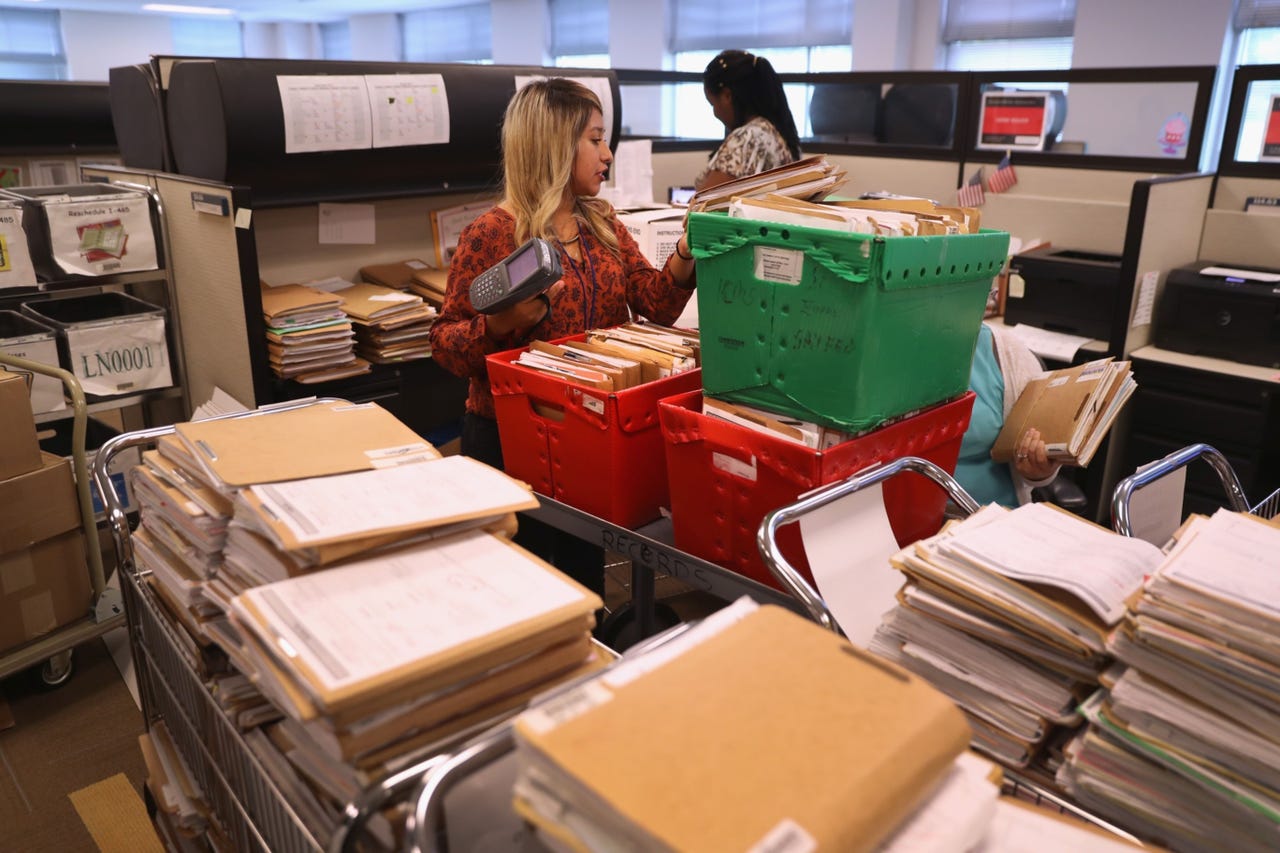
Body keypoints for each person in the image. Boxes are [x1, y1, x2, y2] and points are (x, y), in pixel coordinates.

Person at [428, 78, 697, 594]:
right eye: (595, 139)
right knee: (518, 589)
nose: (608, 153)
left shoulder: (600, 223)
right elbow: (444, 341)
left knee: (582, 583)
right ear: (554, 144)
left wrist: (686, 251)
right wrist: (499, 327)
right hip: (511, 439)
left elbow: (655, 304)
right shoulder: (493, 233)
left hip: (586, 436)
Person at [954, 320, 1060, 507]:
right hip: (905, 520)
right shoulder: (889, 348)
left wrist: (1038, 471)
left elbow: (1042, 454)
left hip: (996, 514)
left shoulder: (1009, 352)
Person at [696, 49, 802, 192]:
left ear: (727, 96)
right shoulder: (775, 133)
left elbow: (703, 203)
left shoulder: (746, 138)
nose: (715, 113)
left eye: (712, 104)